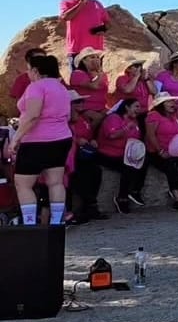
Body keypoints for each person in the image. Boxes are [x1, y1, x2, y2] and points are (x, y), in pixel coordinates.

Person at [4, 55, 71, 226]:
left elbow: (33, 115)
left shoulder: (36, 87)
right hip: (61, 138)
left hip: (36, 140)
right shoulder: (61, 88)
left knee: (23, 184)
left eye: (29, 69)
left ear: (36, 70)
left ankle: (29, 223)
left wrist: (16, 139)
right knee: (55, 182)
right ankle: (57, 223)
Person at [96, 98, 147, 214]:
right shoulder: (113, 118)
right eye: (136, 106)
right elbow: (112, 135)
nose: (139, 109)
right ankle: (122, 197)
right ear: (127, 107)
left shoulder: (135, 121)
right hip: (106, 153)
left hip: (124, 154)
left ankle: (134, 191)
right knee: (127, 168)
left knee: (143, 162)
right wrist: (125, 128)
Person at [145, 93, 178, 211]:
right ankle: (177, 199)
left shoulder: (173, 116)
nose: (172, 104)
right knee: (171, 169)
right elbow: (151, 135)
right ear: (161, 104)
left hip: (173, 151)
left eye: (172, 101)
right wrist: (160, 151)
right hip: (157, 152)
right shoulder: (153, 115)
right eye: (168, 102)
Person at [67, 89, 104, 223]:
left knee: (95, 173)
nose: (81, 103)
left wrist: (92, 139)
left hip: (85, 153)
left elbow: (90, 131)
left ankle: (90, 206)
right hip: (73, 154)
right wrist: (77, 140)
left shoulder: (82, 117)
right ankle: (83, 209)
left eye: (82, 101)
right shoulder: (67, 119)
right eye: (77, 101)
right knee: (81, 177)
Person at [58, 0, 109, 70]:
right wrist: (81, 4)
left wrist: (103, 29)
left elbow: (107, 22)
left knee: (97, 78)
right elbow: (66, 17)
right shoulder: (66, 2)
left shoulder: (96, 3)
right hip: (77, 50)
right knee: (78, 80)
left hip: (95, 51)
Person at [69, 47, 109, 128]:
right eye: (92, 57)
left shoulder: (99, 75)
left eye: (97, 57)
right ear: (84, 61)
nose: (96, 60)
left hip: (101, 107)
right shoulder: (77, 73)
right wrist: (100, 74)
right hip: (85, 108)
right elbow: (93, 86)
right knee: (98, 118)